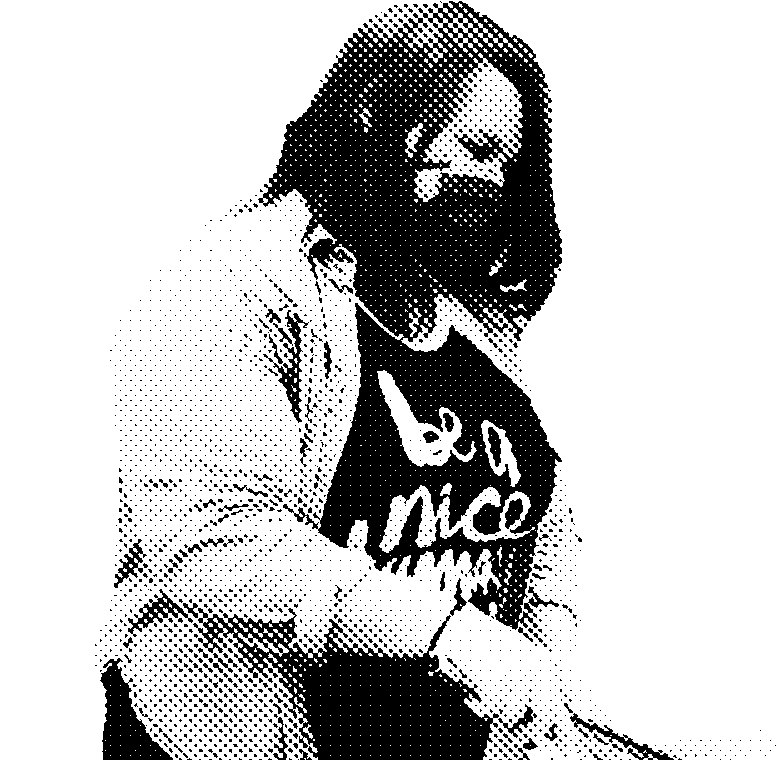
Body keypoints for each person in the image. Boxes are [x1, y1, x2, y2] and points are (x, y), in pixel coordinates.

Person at [101, 3, 674, 759]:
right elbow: (214, 548)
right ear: (374, 120)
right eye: (472, 148)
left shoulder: (476, 319)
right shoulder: (221, 281)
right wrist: (450, 634)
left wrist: (549, 675)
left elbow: (541, 531)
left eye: (508, 165)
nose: (489, 181)